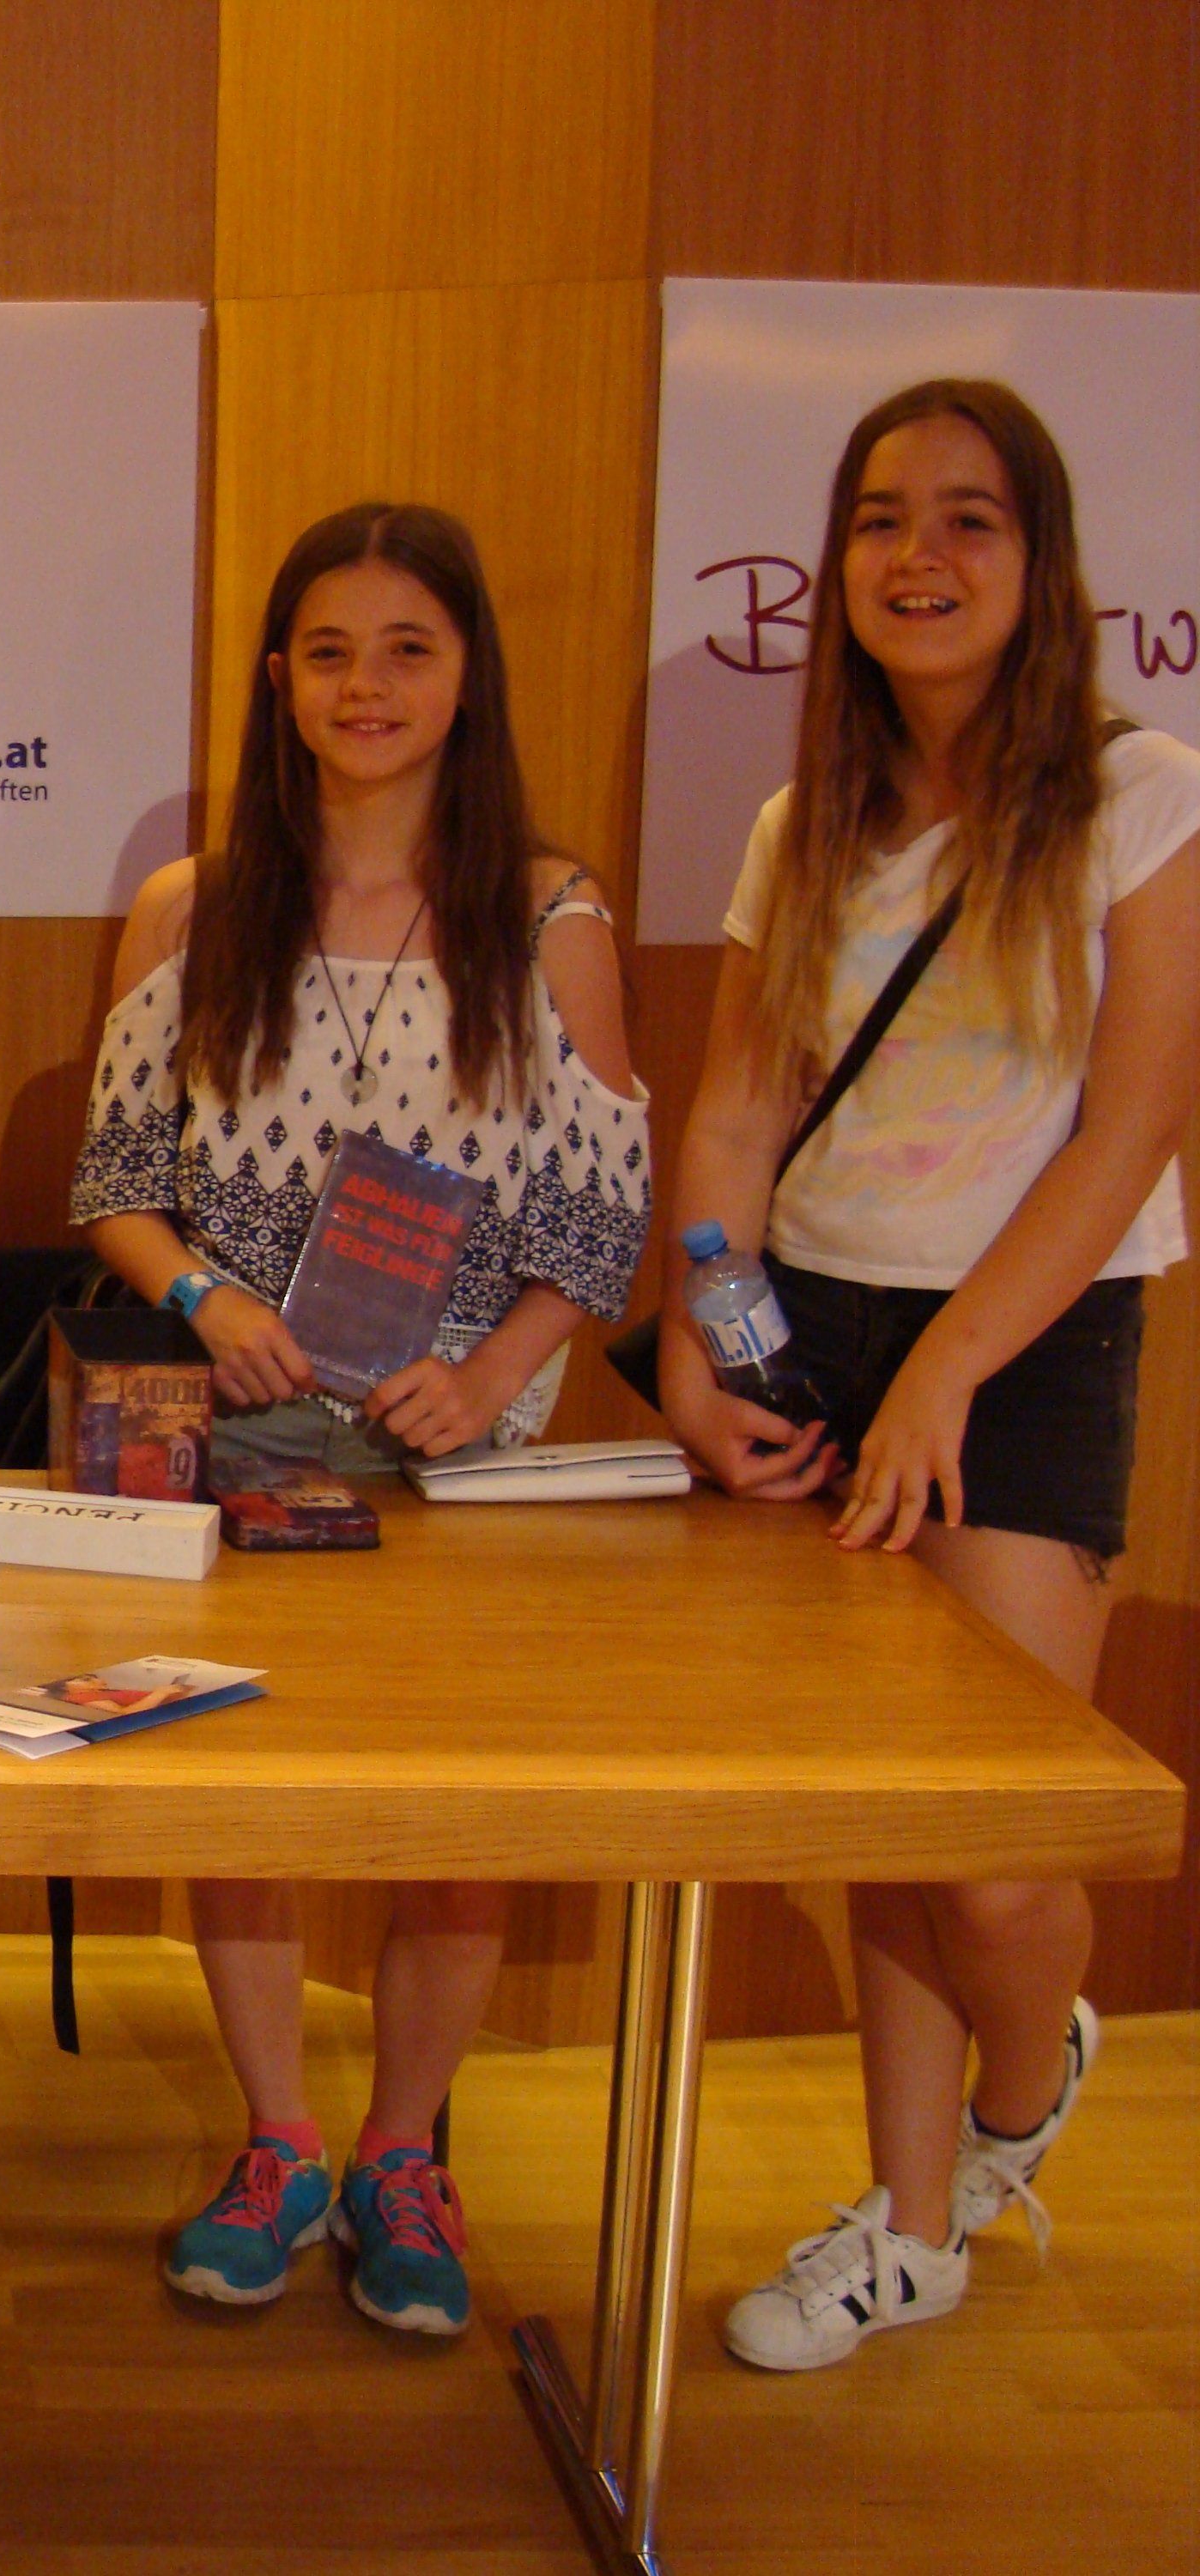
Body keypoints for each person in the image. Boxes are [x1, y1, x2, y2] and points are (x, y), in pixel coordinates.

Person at [662, 382, 1197, 2372]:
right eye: (881, 519)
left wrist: (949, 1372)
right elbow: (732, 1123)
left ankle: (1022, 2071)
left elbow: (1127, 1132)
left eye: (967, 520)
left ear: (1037, 562)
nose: (918, 556)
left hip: (1028, 1341)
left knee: (991, 1863)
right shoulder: (800, 822)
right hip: (819, 1326)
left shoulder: (1142, 795)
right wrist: (712, 1353)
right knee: (884, 1821)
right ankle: (905, 2229)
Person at [71, 501, 650, 2338]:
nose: (365, 685)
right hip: (248, 1437)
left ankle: (405, 2154)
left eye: (407, 647)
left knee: (453, 1825)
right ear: (277, 680)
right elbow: (117, 1184)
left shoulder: (550, 919)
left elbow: (597, 1222)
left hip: (465, 1456)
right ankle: (280, 2145)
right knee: (243, 1806)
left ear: (466, 674)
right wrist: (208, 1301)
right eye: (327, 650)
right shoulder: (194, 908)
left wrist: (486, 1374)